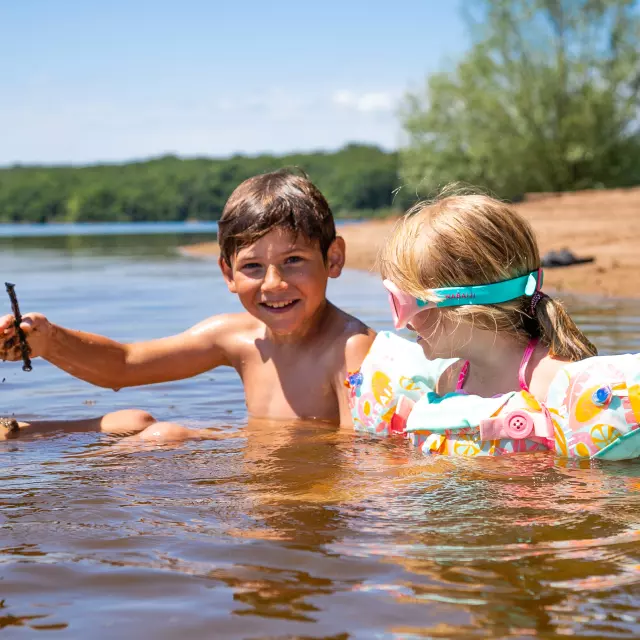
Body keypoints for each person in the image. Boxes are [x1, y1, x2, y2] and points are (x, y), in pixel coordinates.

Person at [1, 170, 375, 441]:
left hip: (300, 506)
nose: (274, 283)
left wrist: (202, 439)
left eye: (293, 260)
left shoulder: (349, 350)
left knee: (163, 436)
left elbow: (356, 454)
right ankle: (14, 434)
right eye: (252, 267)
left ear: (333, 258)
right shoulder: (237, 338)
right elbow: (124, 365)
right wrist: (49, 342)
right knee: (130, 421)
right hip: (262, 475)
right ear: (228, 273)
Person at [348, 190, 640, 460]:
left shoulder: (551, 381)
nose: (404, 324)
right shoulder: (451, 381)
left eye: (404, 304)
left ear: (465, 305)